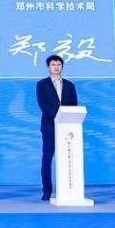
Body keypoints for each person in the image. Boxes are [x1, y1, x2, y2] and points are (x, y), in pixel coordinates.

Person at [35, 54, 78, 201]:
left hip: (68, 127)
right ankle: (47, 190)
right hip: (49, 126)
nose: (56, 67)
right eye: (53, 65)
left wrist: (66, 118)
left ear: (62, 67)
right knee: (47, 158)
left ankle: (68, 188)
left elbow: (74, 105)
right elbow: (43, 104)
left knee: (68, 157)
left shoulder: (70, 85)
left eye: (58, 64)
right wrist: (57, 117)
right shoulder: (42, 84)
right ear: (49, 67)